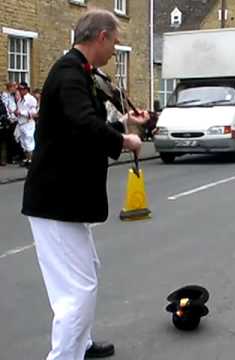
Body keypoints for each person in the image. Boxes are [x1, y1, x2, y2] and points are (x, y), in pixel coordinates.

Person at [22, 9, 149, 360]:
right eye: (115, 41)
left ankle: (82, 344)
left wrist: (126, 123)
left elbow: (89, 121)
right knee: (76, 291)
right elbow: (82, 123)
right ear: (102, 37)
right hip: (54, 200)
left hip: (64, 200)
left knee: (87, 273)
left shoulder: (81, 72)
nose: (116, 49)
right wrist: (125, 141)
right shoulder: (69, 74)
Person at [15, 81, 37, 166]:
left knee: (29, 142)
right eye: (19, 89)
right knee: (23, 142)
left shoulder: (31, 99)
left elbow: (33, 112)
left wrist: (21, 112)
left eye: (22, 89)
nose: (20, 91)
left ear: (26, 89)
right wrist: (16, 113)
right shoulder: (20, 100)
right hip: (21, 123)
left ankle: (31, 160)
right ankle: (27, 159)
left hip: (28, 123)